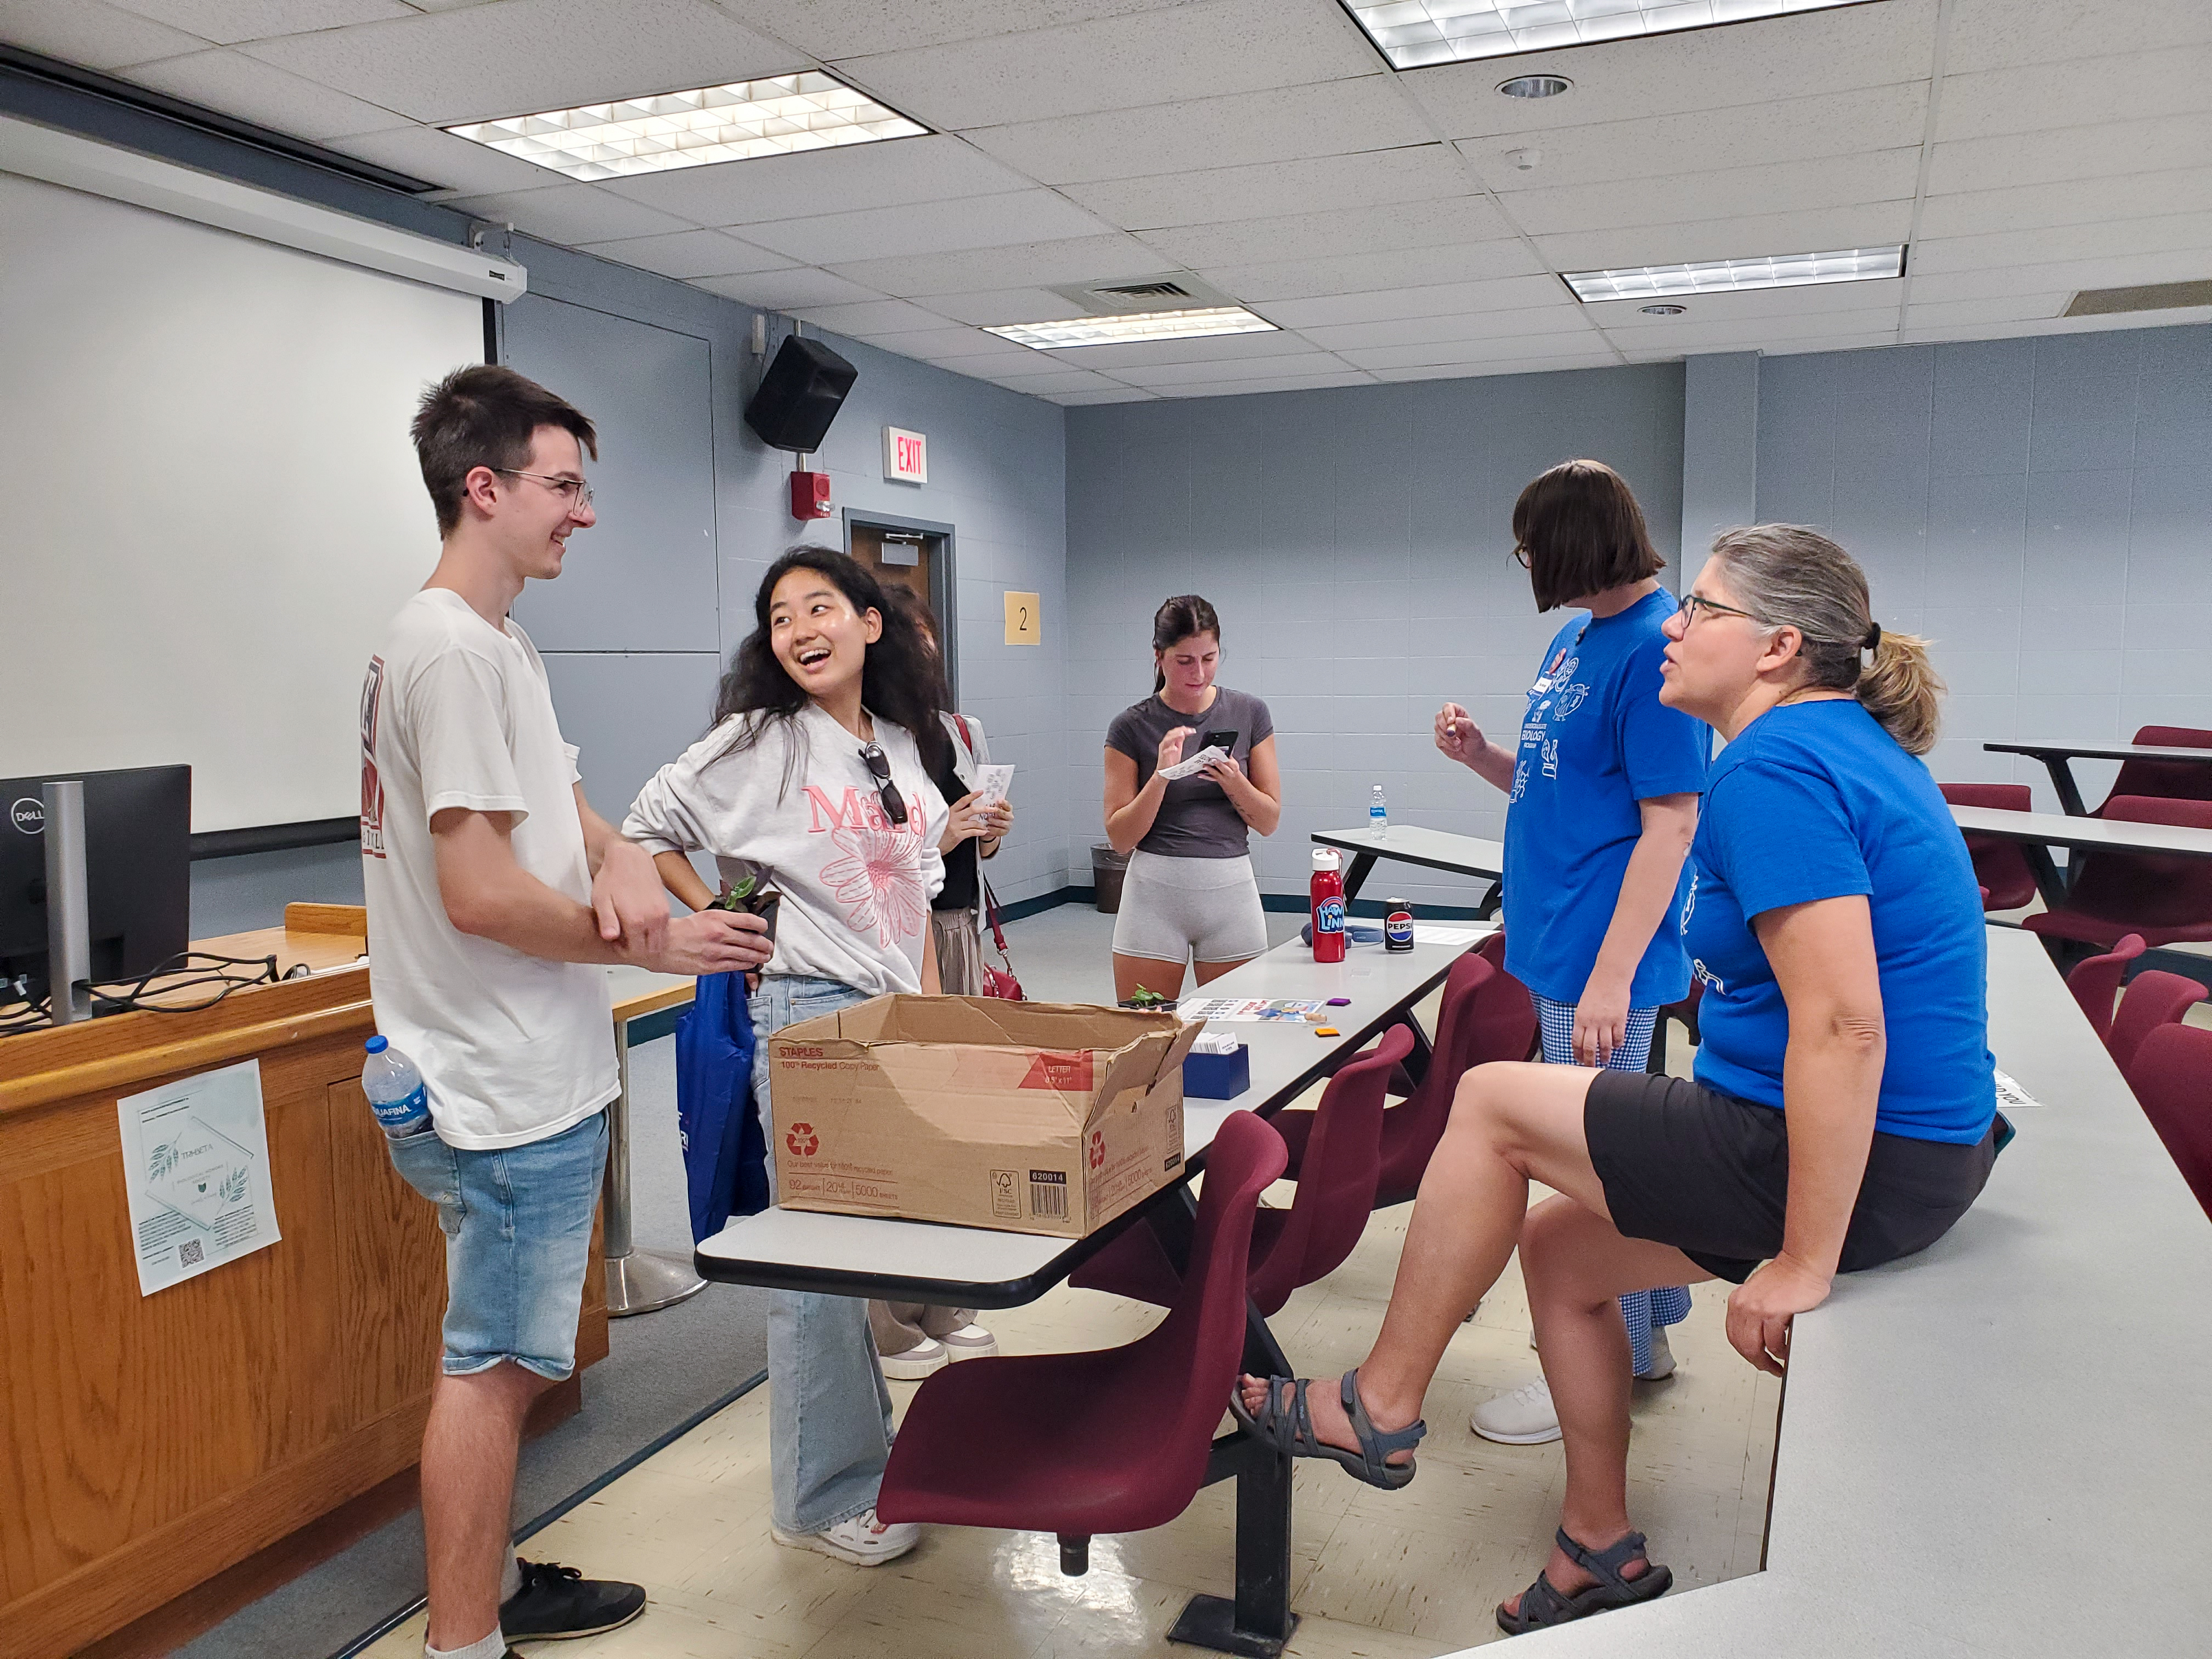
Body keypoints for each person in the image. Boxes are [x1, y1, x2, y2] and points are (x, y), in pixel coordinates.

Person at [1235, 524, 1996, 1637]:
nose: (1674, 627)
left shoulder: (1774, 764)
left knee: (1494, 1101)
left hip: (1851, 1156)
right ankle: (1598, 1544)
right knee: (1562, 1249)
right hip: (1910, 1154)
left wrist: (1801, 1261)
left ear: (1778, 647)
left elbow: (1843, 1027)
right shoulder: (1840, 745)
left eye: (1701, 609)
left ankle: (1380, 1403)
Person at [363, 365, 770, 1659]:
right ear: (484, 490)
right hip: (500, 1082)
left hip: (507, 1065)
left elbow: (563, 806)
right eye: (564, 486)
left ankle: (489, 1579)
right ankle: (463, 1640)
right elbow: (481, 892)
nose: (583, 513)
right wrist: (658, 942)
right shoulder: (445, 653)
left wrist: (616, 860)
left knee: (509, 1363)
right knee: (493, 1373)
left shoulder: (500, 644)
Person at [624, 547, 949, 1568]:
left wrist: (937, 1013)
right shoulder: (759, 739)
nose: (798, 627)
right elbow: (641, 829)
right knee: (813, 1264)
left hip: (895, 1010)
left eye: (819, 606)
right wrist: (717, 919)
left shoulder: (898, 741)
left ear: (869, 622)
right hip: (810, 1017)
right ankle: (819, 1494)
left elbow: (914, 899)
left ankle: (857, 1453)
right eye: (778, 615)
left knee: (860, 1251)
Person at [1433, 459, 1705, 1444]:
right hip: (1557, 942)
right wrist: (1479, 758)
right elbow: (1554, 787)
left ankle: (1601, 1358)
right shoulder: (1573, 638)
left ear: (1572, 543)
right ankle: (1649, 1333)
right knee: (1609, 1157)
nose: (1525, 565)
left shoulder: (1656, 649)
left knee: (1596, 1171)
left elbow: (1669, 825)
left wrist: (1611, 974)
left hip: (1603, 961)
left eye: (1529, 547)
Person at [868, 584, 1013, 1380]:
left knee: (958, 1116)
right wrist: (943, 831)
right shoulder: (863, 739)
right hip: (891, 941)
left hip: (954, 933)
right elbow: (880, 850)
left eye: (929, 644)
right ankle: (886, 1314)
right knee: (894, 1124)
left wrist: (984, 835)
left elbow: (970, 853)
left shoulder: (957, 731)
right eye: (907, 645)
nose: (922, 659)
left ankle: (942, 1295)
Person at [1103, 595, 1282, 1003]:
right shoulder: (1131, 726)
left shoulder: (1250, 712)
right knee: (1144, 1032)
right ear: (1158, 656)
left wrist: (1234, 783)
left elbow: (1269, 821)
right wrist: (1162, 777)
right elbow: (1120, 838)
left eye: (1209, 658)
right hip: (1154, 897)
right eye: (1184, 661)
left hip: (1230, 893)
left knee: (1241, 1032)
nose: (1198, 673)